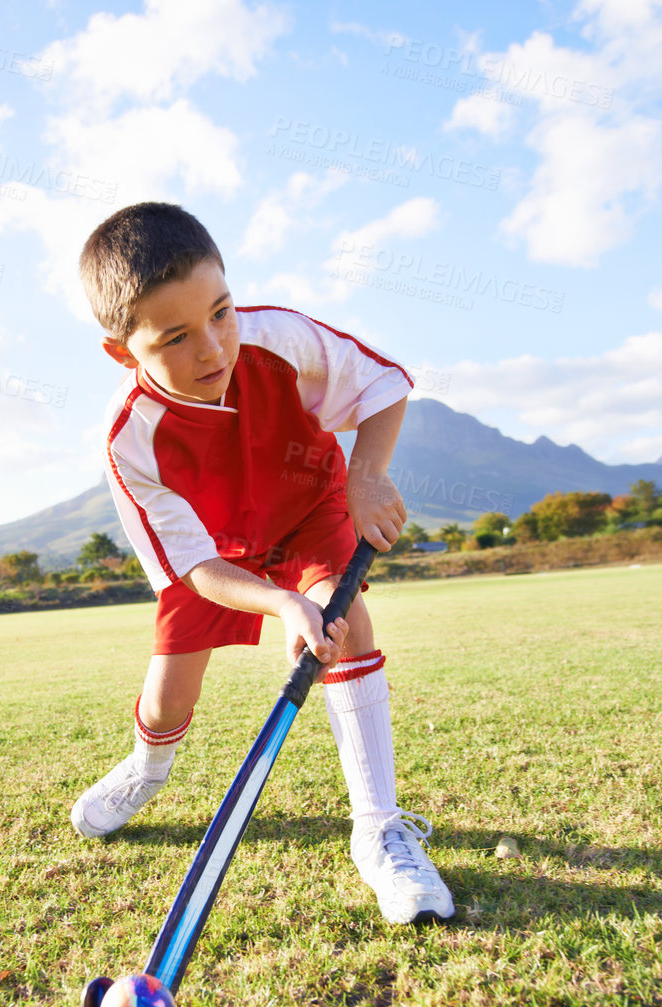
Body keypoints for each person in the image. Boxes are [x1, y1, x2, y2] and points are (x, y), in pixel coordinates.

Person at [69, 201, 452, 925]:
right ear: (124, 352)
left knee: (349, 625)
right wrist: (279, 603)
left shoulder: (276, 336)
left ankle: (378, 830)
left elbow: (382, 386)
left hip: (308, 511)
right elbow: (190, 564)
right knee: (165, 703)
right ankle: (148, 769)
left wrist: (365, 474)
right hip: (214, 557)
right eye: (175, 336)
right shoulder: (130, 444)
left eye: (220, 312)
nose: (213, 347)